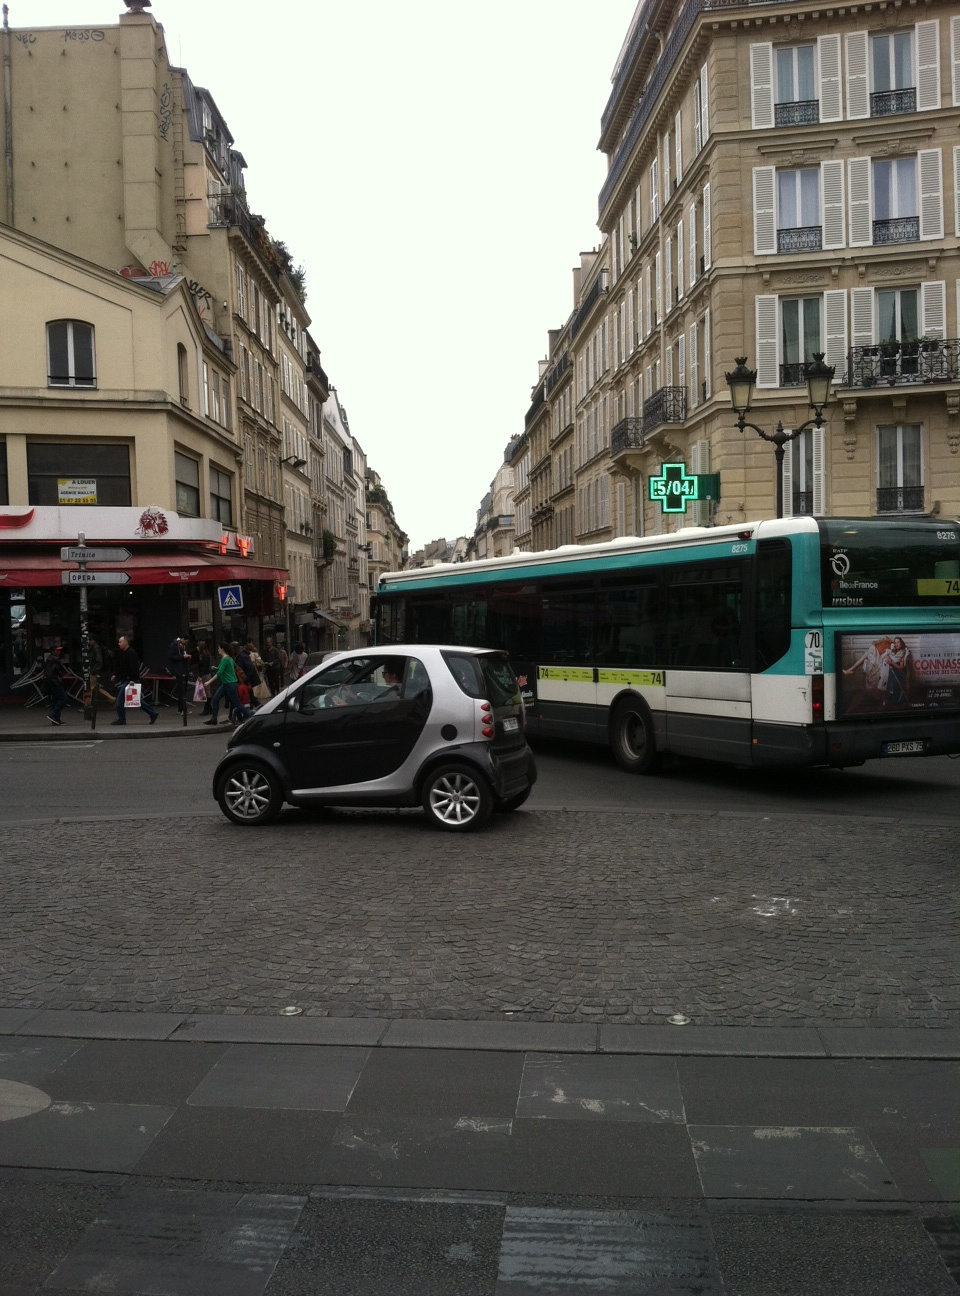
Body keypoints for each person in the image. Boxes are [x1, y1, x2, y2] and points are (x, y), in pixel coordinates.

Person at [111, 634, 158, 726]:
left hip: (130, 680)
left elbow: (134, 668)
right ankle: (153, 713)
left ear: (125, 643)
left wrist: (132, 679)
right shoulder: (124, 653)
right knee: (136, 700)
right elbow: (123, 667)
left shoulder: (131, 653)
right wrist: (115, 674)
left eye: (120, 642)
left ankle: (122, 720)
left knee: (120, 701)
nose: (118, 644)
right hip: (128, 679)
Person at [203, 642, 251, 727]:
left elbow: (219, 673)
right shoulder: (229, 658)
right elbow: (227, 669)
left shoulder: (224, 659)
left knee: (237, 703)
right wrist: (217, 668)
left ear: (222, 649)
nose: (218, 650)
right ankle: (214, 719)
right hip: (227, 684)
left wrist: (208, 682)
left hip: (230, 684)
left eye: (218, 648)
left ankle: (250, 718)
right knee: (215, 699)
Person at [43, 645, 69, 726]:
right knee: (63, 698)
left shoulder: (52, 659)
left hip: (53, 682)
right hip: (54, 682)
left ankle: (56, 719)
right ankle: (53, 714)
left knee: (56, 700)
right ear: (53, 651)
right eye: (57, 650)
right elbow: (50, 673)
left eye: (59, 650)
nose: (59, 652)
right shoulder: (52, 660)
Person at [166, 634, 191, 714]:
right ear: (182, 639)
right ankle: (183, 709)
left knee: (183, 690)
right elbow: (171, 657)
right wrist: (182, 657)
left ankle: (181, 709)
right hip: (179, 670)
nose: (186, 644)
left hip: (183, 670)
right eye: (186, 642)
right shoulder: (174, 645)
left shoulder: (182, 646)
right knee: (182, 690)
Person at [194, 640, 214, 714]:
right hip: (206, 673)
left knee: (206, 691)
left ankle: (207, 709)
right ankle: (209, 708)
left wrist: (200, 675)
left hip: (205, 674)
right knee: (206, 691)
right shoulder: (205, 654)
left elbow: (204, 666)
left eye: (198, 646)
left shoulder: (203, 655)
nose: (197, 647)